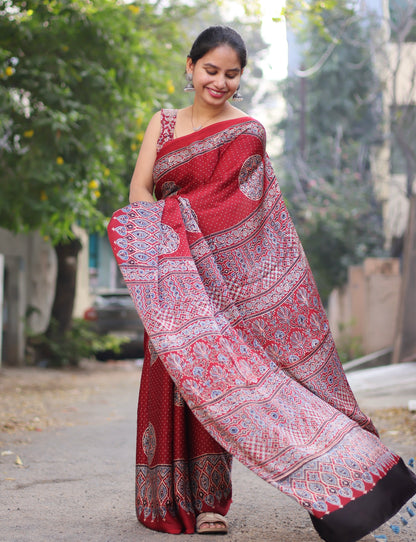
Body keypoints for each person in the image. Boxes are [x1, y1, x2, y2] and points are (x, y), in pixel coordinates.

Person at [108, 25, 416, 541]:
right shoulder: (161, 124)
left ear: (241, 78)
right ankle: (165, 496)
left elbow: (240, 210)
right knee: (173, 382)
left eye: (231, 74)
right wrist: (159, 246)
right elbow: (141, 186)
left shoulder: (246, 131)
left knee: (222, 386)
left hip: (222, 283)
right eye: (210, 70)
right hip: (170, 277)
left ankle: (211, 503)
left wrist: (177, 225)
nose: (219, 82)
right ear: (190, 67)